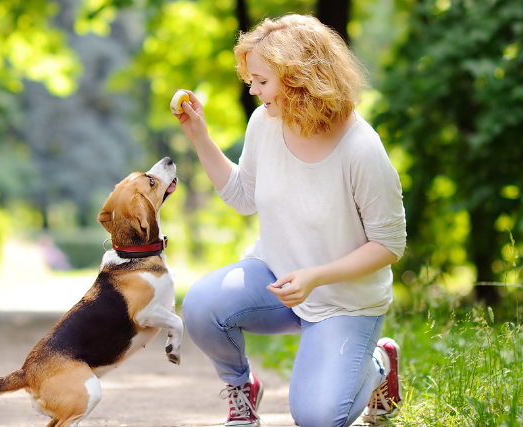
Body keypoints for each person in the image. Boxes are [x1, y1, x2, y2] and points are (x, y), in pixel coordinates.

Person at [172, 14, 407, 427]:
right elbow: (243, 196)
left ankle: (378, 367)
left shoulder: (362, 150)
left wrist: (315, 277)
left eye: (261, 80)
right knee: (201, 305)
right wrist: (199, 137)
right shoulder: (264, 122)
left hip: (343, 301)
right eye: (251, 80)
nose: (253, 89)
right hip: (277, 279)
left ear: (299, 78)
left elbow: (389, 245)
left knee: (317, 418)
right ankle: (241, 389)